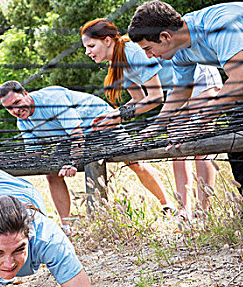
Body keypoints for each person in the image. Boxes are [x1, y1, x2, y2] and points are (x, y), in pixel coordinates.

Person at [127, 0, 243, 199]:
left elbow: (240, 81)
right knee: (239, 141)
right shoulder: (179, 51)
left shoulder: (218, 26)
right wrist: (154, 128)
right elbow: (180, 93)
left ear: (165, 36)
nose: (149, 56)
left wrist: (198, 121)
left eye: (148, 48)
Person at [80, 18, 223, 220]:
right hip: (178, 90)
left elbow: (156, 98)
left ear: (108, 41)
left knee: (197, 143)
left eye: (91, 46)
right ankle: (184, 211)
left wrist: (121, 114)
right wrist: (113, 115)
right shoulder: (117, 62)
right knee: (175, 147)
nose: (88, 52)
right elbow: (138, 100)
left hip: (199, 80)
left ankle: (203, 213)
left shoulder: (133, 52)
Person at [0, 81, 176, 226]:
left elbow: (77, 134)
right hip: (68, 138)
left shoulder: (52, 100)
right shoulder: (23, 122)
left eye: (17, 103)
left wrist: (73, 162)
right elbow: (35, 155)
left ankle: (167, 205)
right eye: (9, 109)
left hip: (100, 124)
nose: (15, 111)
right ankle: (66, 225)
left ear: (26, 94)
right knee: (51, 174)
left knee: (134, 161)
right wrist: (9, 163)